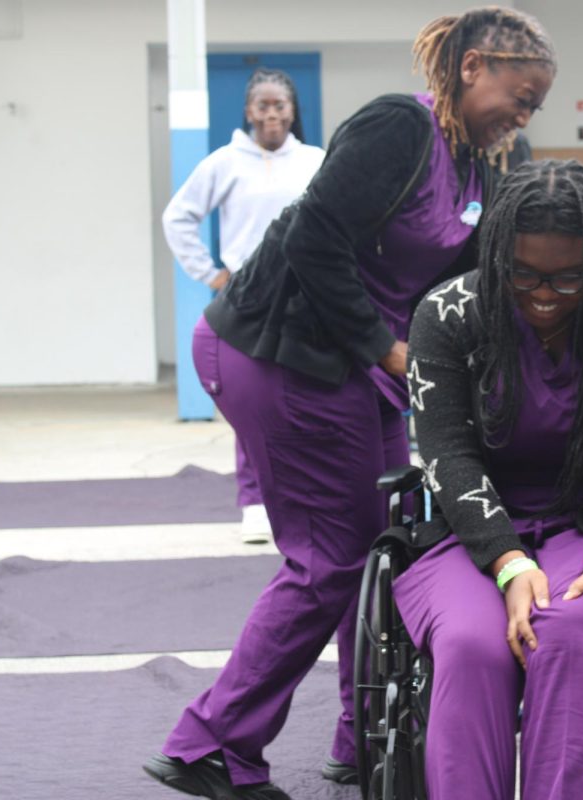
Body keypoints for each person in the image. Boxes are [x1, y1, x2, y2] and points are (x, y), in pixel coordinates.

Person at [143, 8, 557, 800]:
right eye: (519, 92)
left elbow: (467, 288)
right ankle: (212, 743)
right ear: (473, 68)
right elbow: (314, 241)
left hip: (356, 368)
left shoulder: (479, 171)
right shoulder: (398, 129)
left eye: (535, 104)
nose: (524, 112)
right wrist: (387, 349)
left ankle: (361, 734)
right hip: (280, 351)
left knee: (389, 546)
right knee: (331, 556)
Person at [395, 159, 583, 800]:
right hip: (471, 535)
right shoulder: (448, 314)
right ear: (496, 253)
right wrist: (506, 562)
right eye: (523, 273)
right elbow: (445, 453)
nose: (544, 294)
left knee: (572, 634)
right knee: (474, 645)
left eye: (569, 277)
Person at [162, 68, 325, 545]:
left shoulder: (316, 161)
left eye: (280, 105)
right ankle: (255, 503)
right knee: (251, 400)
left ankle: (304, 498)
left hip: (307, 297)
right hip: (246, 300)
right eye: (263, 105)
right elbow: (179, 216)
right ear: (249, 112)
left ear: (293, 110)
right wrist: (211, 273)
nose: (272, 114)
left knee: (306, 397)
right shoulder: (224, 162)